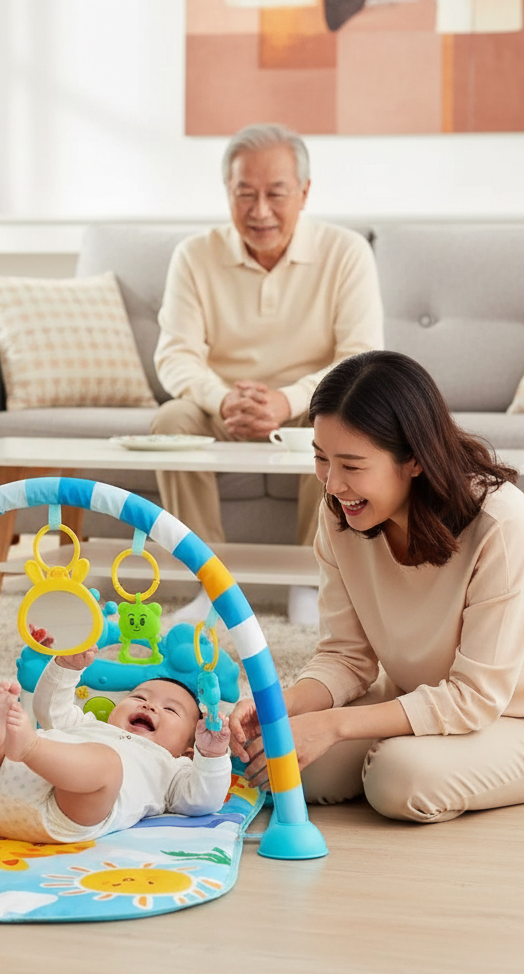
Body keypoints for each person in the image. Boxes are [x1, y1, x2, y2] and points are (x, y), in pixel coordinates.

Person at [229, 350, 524, 823]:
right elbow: (345, 656)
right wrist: (280, 704)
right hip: (426, 695)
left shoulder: (501, 525)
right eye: (321, 458)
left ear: (415, 460)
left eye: (352, 465)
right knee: (285, 764)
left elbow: (476, 697)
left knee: (397, 777)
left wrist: (335, 725)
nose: (333, 483)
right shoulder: (341, 512)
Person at [152, 122, 384, 625]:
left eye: (276, 194)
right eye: (245, 194)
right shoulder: (194, 255)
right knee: (171, 420)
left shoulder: (346, 252)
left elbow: (360, 356)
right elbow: (175, 355)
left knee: (344, 421)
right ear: (227, 193)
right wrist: (220, 400)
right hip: (223, 406)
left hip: (309, 406)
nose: (259, 211)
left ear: (304, 192)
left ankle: (308, 579)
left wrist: (289, 400)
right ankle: (213, 587)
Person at [0, 645, 233, 843]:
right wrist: (65, 667)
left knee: (106, 763)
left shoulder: (175, 767)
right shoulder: (88, 725)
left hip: (66, 812)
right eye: (138, 697)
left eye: (171, 710)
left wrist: (210, 754)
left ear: (187, 748)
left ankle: (29, 747)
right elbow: (50, 710)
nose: (149, 706)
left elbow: (204, 800)